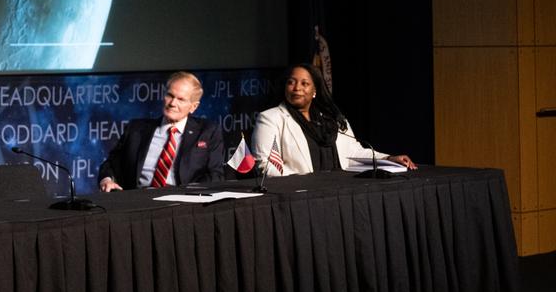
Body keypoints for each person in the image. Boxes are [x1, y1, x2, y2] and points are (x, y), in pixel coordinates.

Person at [249, 63, 416, 175]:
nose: (297, 88)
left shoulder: (331, 119)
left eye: (304, 83)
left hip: (337, 193)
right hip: (300, 196)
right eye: (291, 82)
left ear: (315, 91)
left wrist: (388, 159)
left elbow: (354, 152)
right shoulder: (270, 119)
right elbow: (264, 165)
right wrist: (301, 183)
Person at [98, 71, 225, 190]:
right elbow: (111, 164)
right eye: (170, 95)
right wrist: (107, 179)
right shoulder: (136, 129)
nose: (173, 103)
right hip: (139, 199)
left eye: (181, 99)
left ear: (193, 106)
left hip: (183, 203)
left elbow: (215, 175)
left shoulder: (207, 131)